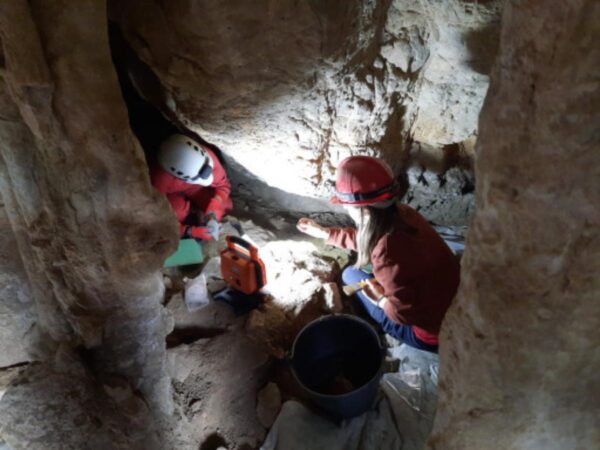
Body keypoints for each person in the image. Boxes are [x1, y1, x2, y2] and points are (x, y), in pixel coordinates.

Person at [297, 156, 460, 353]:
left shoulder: (385, 254)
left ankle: (375, 326)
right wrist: (326, 234)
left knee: (349, 275)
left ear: (360, 208)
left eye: (345, 204)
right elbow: (370, 239)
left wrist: (380, 299)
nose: (345, 208)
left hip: (436, 335)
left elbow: (403, 315)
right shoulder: (405, 214)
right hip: (456, 305)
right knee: (358, 274)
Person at [151, 134, 232, 241]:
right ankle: (189, 211)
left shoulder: (207, 159)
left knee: (226, 205)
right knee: (178, 213)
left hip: (195, 188)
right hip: (170, 193)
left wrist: (214, 206)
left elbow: (223, 186)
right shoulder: (159, 179)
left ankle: (197, 211)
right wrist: (188, 230)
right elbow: (155, 218)